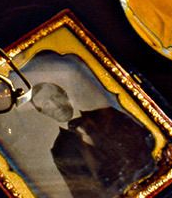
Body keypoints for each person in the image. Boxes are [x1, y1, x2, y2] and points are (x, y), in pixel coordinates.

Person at [29, 82, 157, 197]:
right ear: (43, 112)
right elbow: (84, 194)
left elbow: (150, 142)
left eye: (55, 97)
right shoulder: (60, 151)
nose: (56, 106)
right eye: (46, 104)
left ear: (65, 95)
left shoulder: (109, 114)